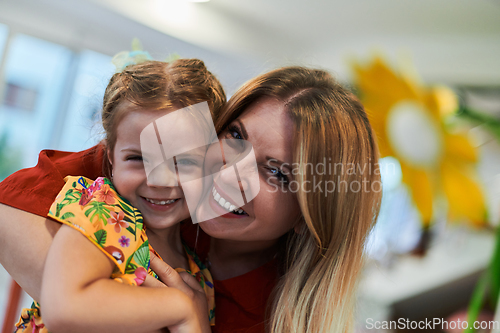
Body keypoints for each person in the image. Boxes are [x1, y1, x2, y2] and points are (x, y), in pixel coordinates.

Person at [0, 66, 382, 333]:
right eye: (235, 137)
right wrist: (177, 312)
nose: (232, 174)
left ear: (309, 214)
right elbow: (10, 204)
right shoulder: (142, 188)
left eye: (277, 173)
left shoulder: (269, 315)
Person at [12, 56, 226, 333]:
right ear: (111, 156)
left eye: (184, 162)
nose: (160, 180)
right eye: (139, 158)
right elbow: (64, 310)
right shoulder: (104, 211)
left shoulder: (200, 270)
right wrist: (181, 309)